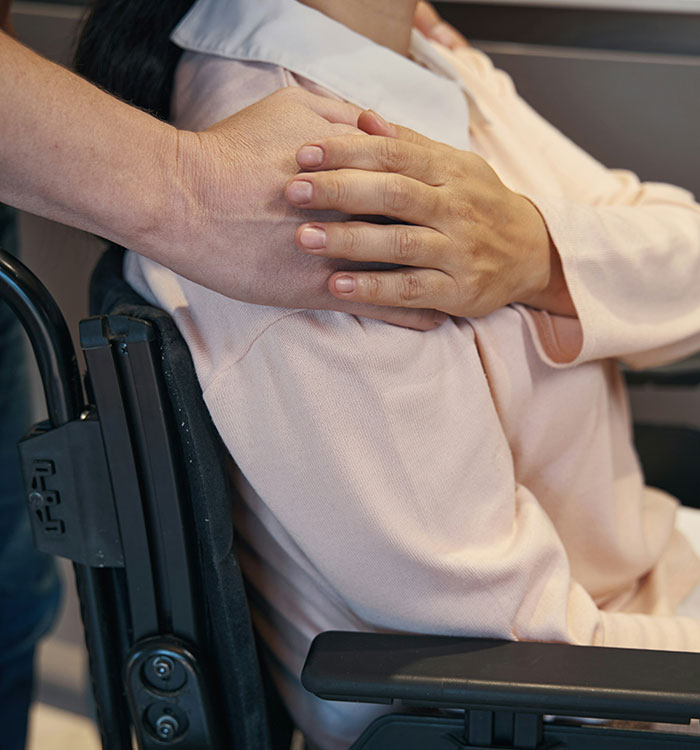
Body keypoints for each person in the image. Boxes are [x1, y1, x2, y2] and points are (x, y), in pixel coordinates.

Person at [67, 0, 700, 748]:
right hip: (593, 684)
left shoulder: (417, 61)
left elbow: (683, 254)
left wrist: (539, 253)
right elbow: (525, 660)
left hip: (652, 588)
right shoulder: (315, 185)